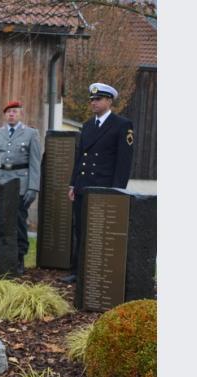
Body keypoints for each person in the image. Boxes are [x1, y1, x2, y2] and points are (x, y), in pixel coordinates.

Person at [60, 83, 134, 283]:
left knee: (101, 232)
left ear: (109, 101)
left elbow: (124, 162)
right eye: (92, 99)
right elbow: (80, 157)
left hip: (104, 188)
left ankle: (100, 271)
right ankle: (78, 271)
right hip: (84, 187)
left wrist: (117, 190)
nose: (93, 102)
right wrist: (73, 184)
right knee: (80, 229)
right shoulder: (87, 125)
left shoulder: (122, 125)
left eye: (98, 99)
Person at [0, 100, 41, 275]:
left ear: (20, 114)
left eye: (15, 111)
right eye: (9, 111)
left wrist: (33, 188)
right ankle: (0, 258)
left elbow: (35, 163)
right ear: (5, 115)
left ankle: (19, 258)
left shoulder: (31, 134)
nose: (11, 114)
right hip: (0, 182)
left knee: (18, 223)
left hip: (20, 185)